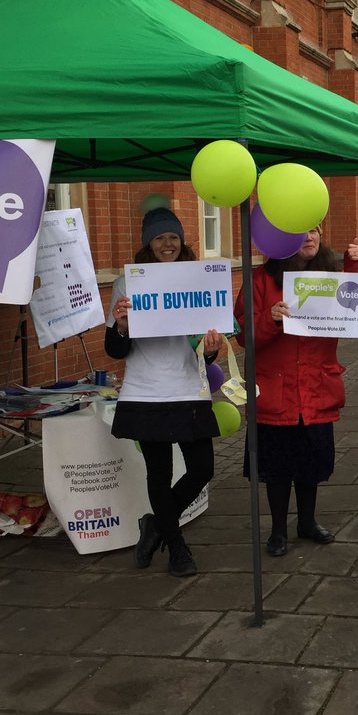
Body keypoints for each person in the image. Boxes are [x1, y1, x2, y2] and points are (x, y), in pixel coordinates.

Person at [105, 201, 225, 578]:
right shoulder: (128, 283)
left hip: (189, 388)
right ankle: (178, 549)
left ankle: (156, 524)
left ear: (182, 241)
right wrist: (122, 326)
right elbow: (115, 350)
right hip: (145, 391)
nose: (168, 244)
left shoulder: (198, 280)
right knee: (158, 473)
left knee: (202, 468)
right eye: (160, 238)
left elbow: (207, 347)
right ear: (148, 244)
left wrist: (210, 350)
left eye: (173, 237)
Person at [235, 227, 358, 556]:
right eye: (301, 231)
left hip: (315, 387)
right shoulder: (260, 280)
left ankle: (306, 522)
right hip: (275, 389)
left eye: (316, 230)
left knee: (310, 465)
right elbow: (242, 335)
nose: (311, 237)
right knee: (278, 469)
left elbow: (355, 305)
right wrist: (269, 318)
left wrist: (355, 267)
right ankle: (278, 531)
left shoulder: (330, 276)